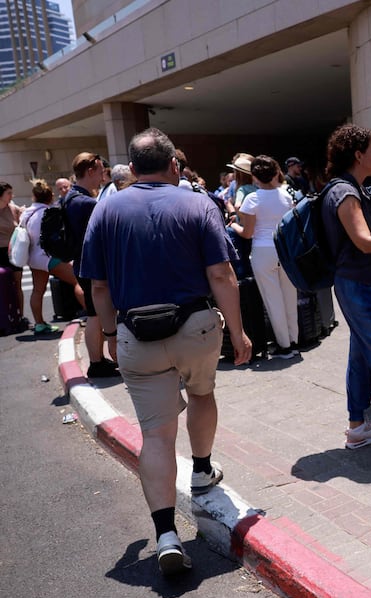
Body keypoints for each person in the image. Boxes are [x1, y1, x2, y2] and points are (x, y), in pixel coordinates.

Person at [79, 127, 251, 575]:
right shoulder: (197, 202)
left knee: (156, 434)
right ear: (174, 163)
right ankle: (201, 469)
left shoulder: (107, 209)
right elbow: (221, 275)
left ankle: (166, 534)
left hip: (136, 332)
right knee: (201, 394)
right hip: (195, 325)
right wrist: (238, 332)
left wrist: (113, 335)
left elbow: (97, 285)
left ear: (132, 170)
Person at [321, 124, 371, 449]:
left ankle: (357, 426)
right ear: (358, 155)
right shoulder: (346, 191)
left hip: (358, 284)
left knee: (362, 356)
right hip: (361, 286)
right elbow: (365, 242)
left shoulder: (347, 187)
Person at [228, 155, 298, 358]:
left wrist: (233, 225)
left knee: (272, 299)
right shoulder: (285, 196)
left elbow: (248, 233)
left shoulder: (252, 199)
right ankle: (293, 341)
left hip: (263, 250)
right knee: (289, 297)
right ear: (276, 172)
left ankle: (284, 345)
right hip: (285, 249)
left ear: (254, 176)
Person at [66, 152, 118, 378]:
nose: (102, 177)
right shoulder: (86, 203)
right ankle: (96, 363)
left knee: (93, 314)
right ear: (89, 171)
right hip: (91, 266)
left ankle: (98, 360)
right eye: (99, 172)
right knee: (96, 315)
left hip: (80, 264)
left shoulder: (70, 197)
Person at [22, 179, 84, 334]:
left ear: (34, 197)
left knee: (38, 290)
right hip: (50, 256)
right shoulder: (50, 212)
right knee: (78, 280)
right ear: (49, 196)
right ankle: (91, 313)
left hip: (34, 258)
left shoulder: (27, 213)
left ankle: (40, 324)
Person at [0, 183, 24, 317]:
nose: (12, 196)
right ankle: (4, 315)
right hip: (0, 252)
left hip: (13, 252)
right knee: (3, 286)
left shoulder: (13, 209)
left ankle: (20, 316)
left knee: (17, 286)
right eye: (8, 193)